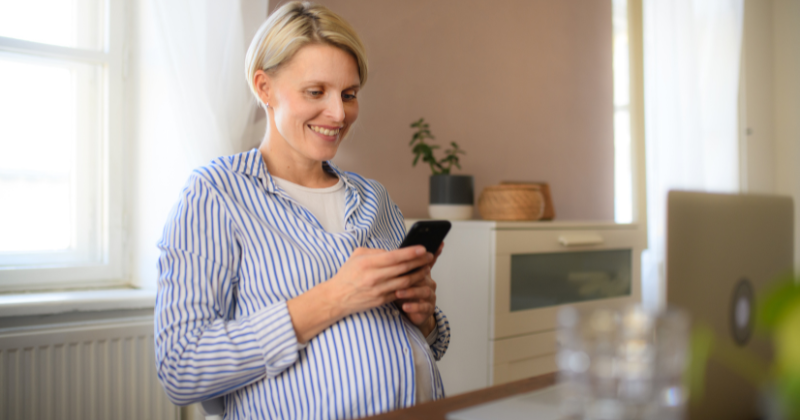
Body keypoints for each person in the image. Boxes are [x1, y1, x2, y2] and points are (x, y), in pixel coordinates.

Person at [154, 2, 451, 419]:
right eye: (316, 92)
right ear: (264, 88)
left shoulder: (374, 199)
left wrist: (424, 319)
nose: (338, 113)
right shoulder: (214, 195)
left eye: (349, 94)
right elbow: (181, 368)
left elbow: (431, 343)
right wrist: (335, 297)